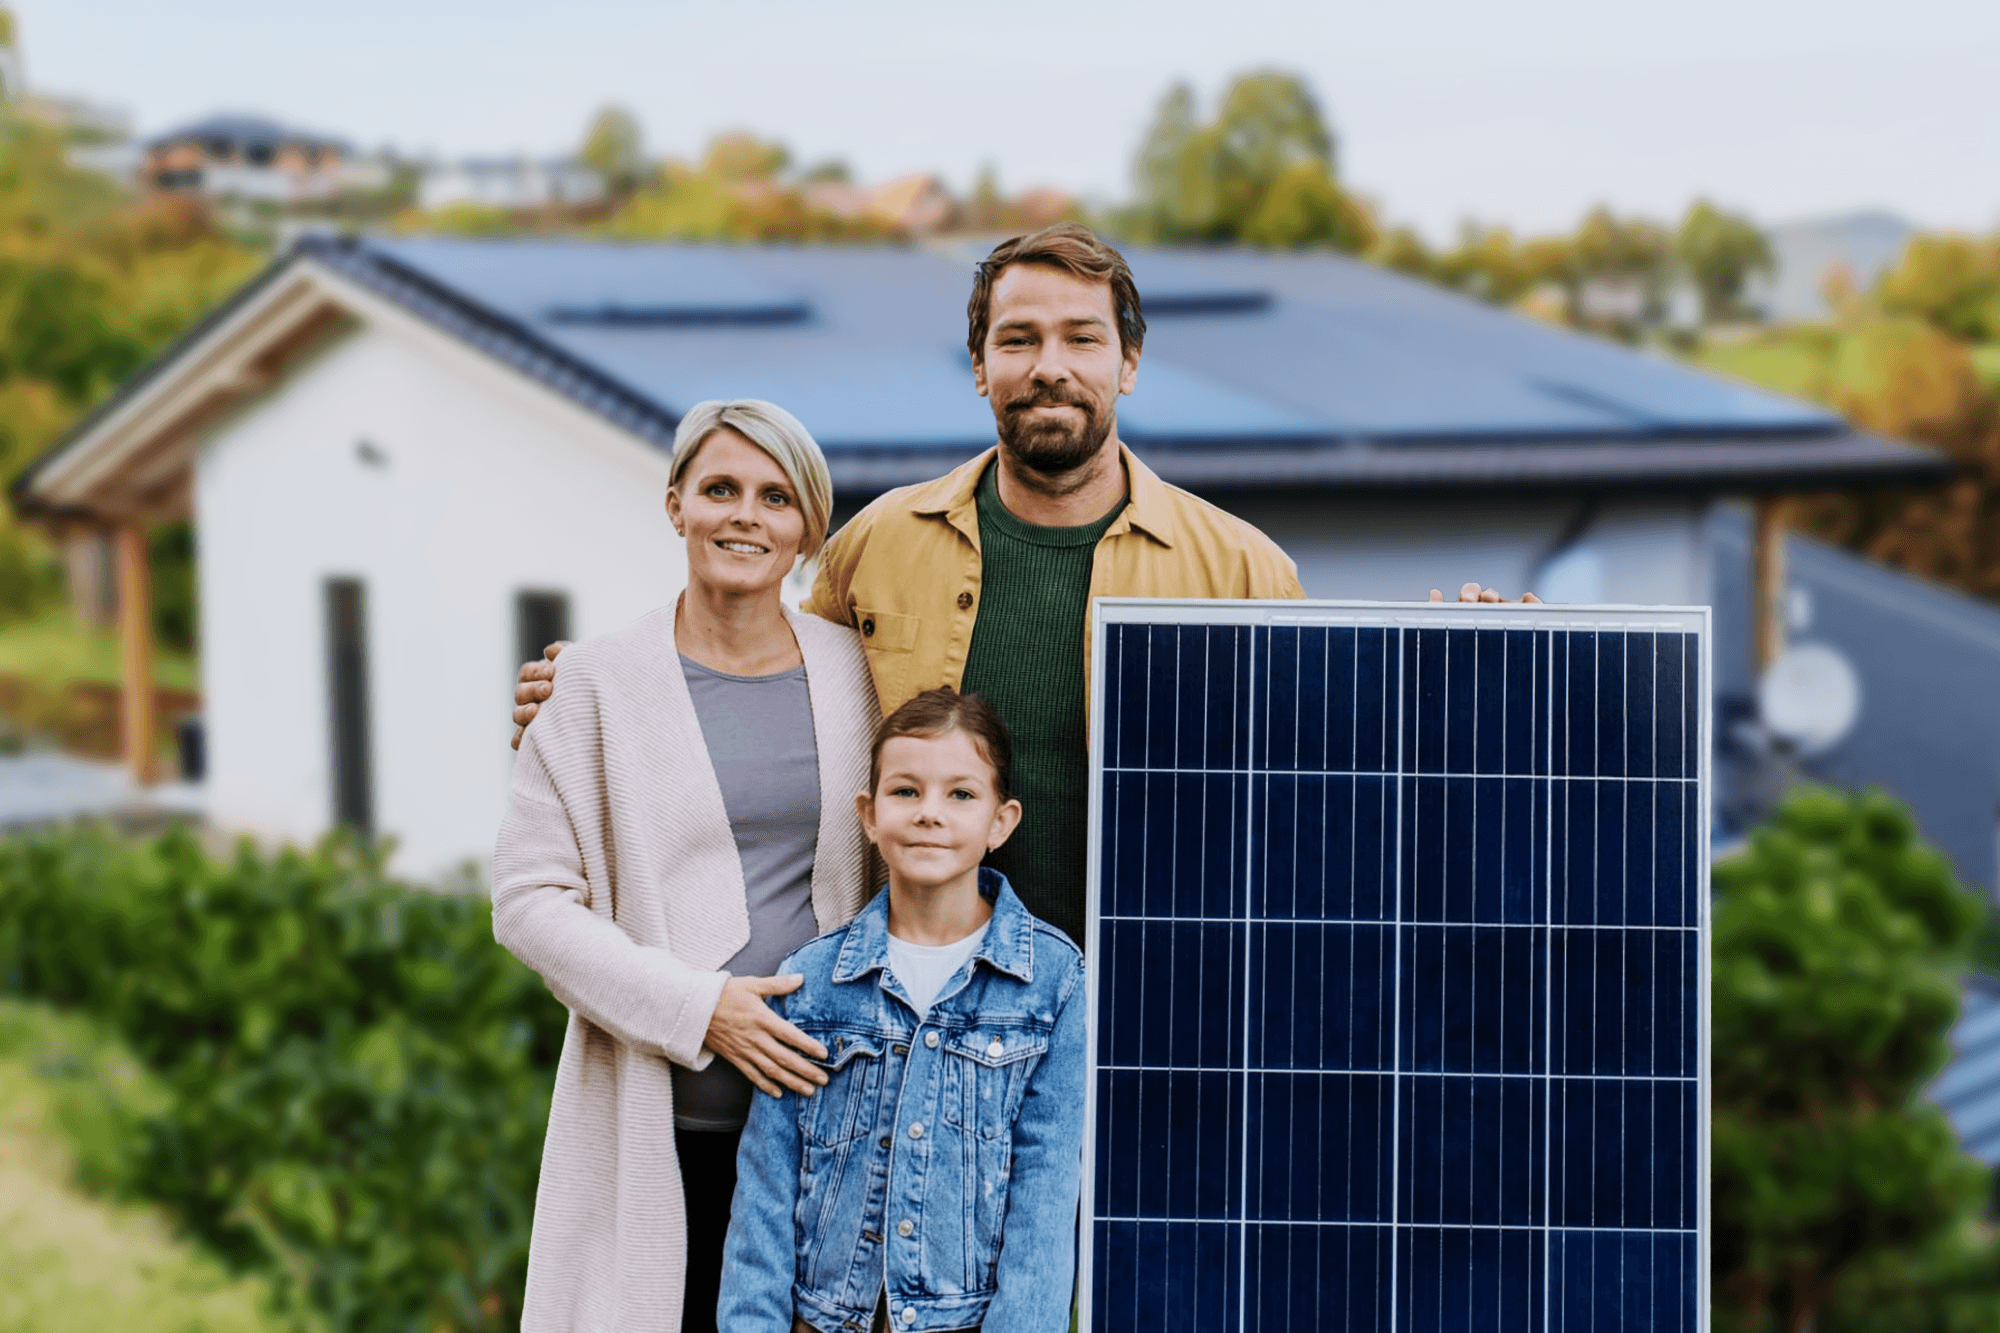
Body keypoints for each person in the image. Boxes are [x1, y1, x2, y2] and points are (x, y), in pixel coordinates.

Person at [511, 223, 1536, 950]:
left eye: (1081, 338)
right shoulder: (878, 545)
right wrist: (607, 702)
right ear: (977, 367)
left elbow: (1320, 789)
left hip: (1158, 1013)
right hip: (911, 1025)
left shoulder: (1241, 569)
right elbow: (775, 704)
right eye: (1017, 339)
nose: (1050, 365)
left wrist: (1470, 677)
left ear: (1128, 363)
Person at [491, 400, 884, 1333]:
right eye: (720, 489)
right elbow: (528, 902)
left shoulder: (858, 674)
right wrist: (701, 1006)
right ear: (677, 506)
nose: (745, 514)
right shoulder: (593, 682)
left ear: (806, 531)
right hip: (660, 1125)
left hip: (824, 1131)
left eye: (775, 497)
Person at [717, 687, 1085, 1333]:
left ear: (1002, 820)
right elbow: (766, 1192)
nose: (930, 814)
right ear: (869, 813)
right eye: (906, 791)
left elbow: (1046, 1198)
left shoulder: (1053, 982)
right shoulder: (810, 983)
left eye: (961, 794)